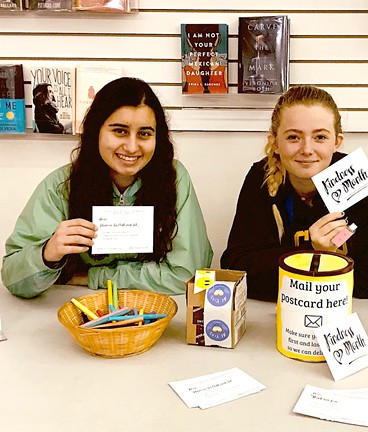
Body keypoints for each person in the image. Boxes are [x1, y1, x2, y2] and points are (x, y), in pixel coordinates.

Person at [221, 85, 368, 302]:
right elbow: (236, 267)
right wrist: (311, 252)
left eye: (320, 137)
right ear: (275, 142)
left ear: (336, 142)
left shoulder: (356, 181)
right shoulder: (262, 178)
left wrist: (334, 271)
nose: (307, 149)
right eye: (293, 137)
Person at [2, 77, 213, 298]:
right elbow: (15, 280)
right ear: (96, 131)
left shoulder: (174, 178)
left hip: (154, 312)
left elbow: (187, 276)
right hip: (77, 309)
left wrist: (95, 277)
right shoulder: (61, 185)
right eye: (120, 131)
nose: (132, 147)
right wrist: (46, 254)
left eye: (144, 134)